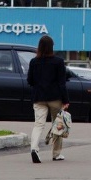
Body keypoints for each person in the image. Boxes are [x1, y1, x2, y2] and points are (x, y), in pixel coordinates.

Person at [25, 35, 68, 163]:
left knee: (38, 124)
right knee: (58, 124)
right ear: (51, 47)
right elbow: (62, 83)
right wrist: (66, 100)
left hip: (39, 97)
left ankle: (34, 149)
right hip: (55, 98)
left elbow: (30, 80)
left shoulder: (34, 62)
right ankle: (56, 154)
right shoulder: (58, 62)